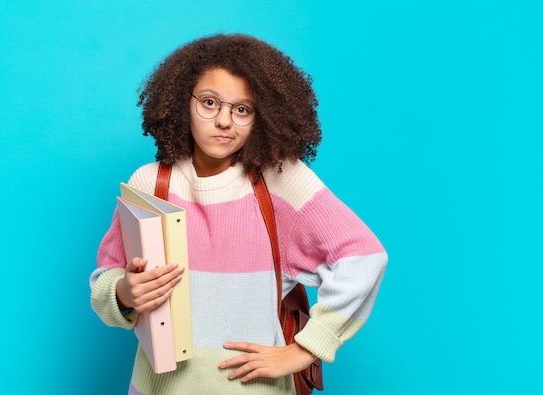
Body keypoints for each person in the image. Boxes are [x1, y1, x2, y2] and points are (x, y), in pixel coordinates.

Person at [90, 33, 387, 395]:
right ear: (182, 102)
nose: (225, 121)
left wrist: (307, 348)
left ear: (262, 117)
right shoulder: (149, 182)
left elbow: (365, 257)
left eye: (242, 109)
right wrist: (124, 292)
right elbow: (106, 281)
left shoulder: (282, 181)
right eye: (210, 103)